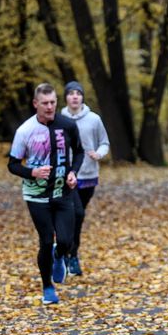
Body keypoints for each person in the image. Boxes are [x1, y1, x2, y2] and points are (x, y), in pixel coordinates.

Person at [7, 83, 84, 304]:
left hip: (63, 192)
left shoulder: (67, 125)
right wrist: (32, 172)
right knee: (45, 241)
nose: (50, 107)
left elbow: (79, 152)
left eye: (53, 102)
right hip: (36, 196)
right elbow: (12, 165)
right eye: (45, 103)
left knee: (66, 241)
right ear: (35, 104)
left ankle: (60, 256)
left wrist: (73, 172)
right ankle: (47, 288)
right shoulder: (25, 131)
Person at [61, 81, 110, 276]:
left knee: (77, 217)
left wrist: (99, 154)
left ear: (82, 97)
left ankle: (70, 253)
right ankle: (69, 255)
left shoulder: (94, 119)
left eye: (78, 93)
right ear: (65, 97)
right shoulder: (58, 118)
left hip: (89, 175)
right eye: (71, 93)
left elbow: (104, 143)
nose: (75, 97)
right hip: (66, 175)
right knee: (76, 213)